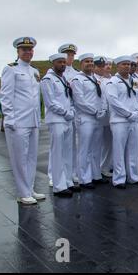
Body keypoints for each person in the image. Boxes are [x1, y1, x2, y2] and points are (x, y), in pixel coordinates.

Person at [0, 37, 45, 204]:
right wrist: (9, 119)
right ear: (18, 52)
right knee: (19, 157)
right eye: (24, 49)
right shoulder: (11, 69)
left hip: (33, 120)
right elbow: (6, 95)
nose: (28, 52)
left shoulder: (34, 71)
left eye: (30, 49)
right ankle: (22, 192)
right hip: (18, 121)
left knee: (32, 157)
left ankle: (30, 187)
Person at [105, 56, 138, 189]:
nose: (127, 66)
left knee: (133, 149)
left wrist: (137, 112)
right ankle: (119, 178)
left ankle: (133, 176)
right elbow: (113, 101)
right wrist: (128, 114)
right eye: (124, 64)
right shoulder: (113, 82)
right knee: (119, 150)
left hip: (134, 120)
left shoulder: (135, 81)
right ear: (118, 66)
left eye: (129, 64)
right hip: (119, 121)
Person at [70, 53, 109, 189]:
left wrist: (103, 110)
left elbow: (102, 96)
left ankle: (96, 175)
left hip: (98, 118)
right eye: (87, 61)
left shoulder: (95, 79)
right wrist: (95, 111)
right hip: (85, 117)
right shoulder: (77, 79)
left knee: (96, 148)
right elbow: (79, 100)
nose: (90, 63)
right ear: (81, 63)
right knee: (85, 149)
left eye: (91, 61)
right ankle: (84, 179)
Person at [41, 53, 77, 198]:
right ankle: (58, 185)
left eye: (64, 62)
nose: (63, 64)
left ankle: (68, 182)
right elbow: (50, 102)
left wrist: (72, 111)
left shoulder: (63, 79)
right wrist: (66, 112)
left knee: (68, 152)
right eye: (59, 62)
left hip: (67, 119)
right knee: (57, 153)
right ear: (53, 63)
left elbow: (70, 99)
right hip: (57, 120)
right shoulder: (48, 79)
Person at [59, 43, 80, 184]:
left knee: (72, 145)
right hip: (60, 114)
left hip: (72, 113)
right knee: (58, 146)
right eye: (67, 54)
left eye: (72, 55)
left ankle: (71, 173)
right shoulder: (56, 72)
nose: (69, 57)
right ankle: (53, 174)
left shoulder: (77, 73)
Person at [94, 56, 113, 178]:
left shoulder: (113, 79)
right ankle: (95, 170)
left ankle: (104, 167)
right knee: (96, 145)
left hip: (110, 117)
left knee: (108, 143)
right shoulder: (93, 78)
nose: (107, 66)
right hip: (97, 116)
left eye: (110, 64)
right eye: (105, 64)